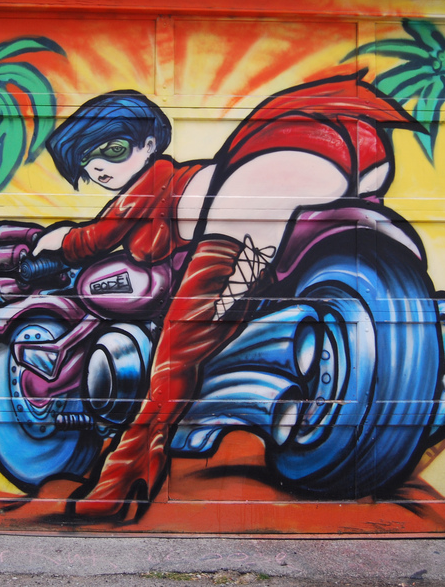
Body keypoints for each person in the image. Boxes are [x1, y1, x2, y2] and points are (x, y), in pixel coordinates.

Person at [34, 71, 422, 518]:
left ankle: (123, 480)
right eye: (87, 163)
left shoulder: (156, 180)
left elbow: (98, 236)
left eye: (113, 150)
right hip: (350, 158)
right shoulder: (182, 181)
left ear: (148, 144)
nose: (100, 167)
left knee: (178, 351)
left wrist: (57, 242)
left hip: (269, 180)